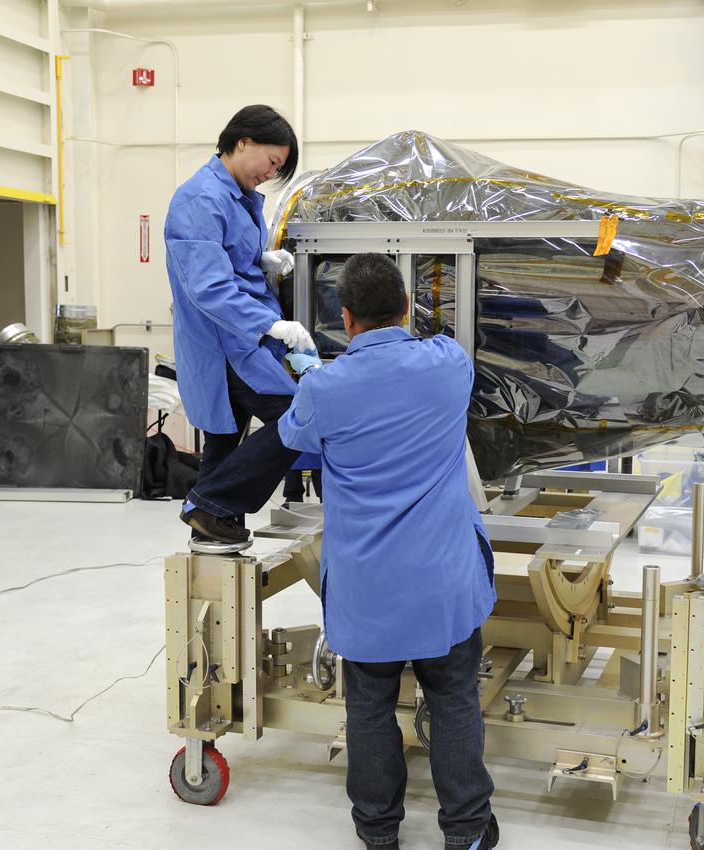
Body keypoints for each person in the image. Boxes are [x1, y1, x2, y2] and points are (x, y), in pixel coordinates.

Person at [278, 253, 499, 850]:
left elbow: (294, 435)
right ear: (406, 307)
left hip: (367, 589)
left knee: (370, 708)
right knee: (454, 700)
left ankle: (378, 834)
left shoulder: (324, 388)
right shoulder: (449, 364)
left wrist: (311, 371)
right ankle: (467, 832)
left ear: (345, 318)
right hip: (443, 582)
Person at [163, 104, 320, 541]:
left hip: (241, 338)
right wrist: (271, 325)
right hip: (227, 344)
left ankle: (212, 528)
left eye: (278, 169)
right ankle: (208, 503)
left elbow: (227, 260)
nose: (270, 174)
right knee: (296, 416)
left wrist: (260, 261)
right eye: (271, 162)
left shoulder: (234, 194)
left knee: (224, 437)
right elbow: (209, 287)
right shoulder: (201, 198)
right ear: (243, 142)